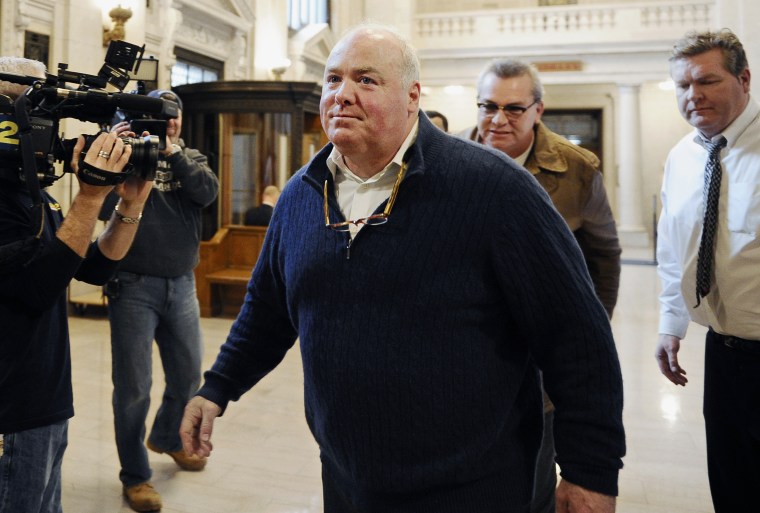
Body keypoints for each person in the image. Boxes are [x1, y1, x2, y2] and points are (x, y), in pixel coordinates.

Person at [180, 24, 625, 513]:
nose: (342, 95)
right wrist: (218, 386)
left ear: (412, 96)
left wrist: (590, 471)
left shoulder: (494, 189)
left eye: (366, 80)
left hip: (473, 486)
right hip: (348, 480)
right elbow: (267, 309)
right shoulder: (301, 195)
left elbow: (576, 337)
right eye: (332, 80)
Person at [461, 58, 621, 513]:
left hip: (539, 361)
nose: (498, 119)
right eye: (488, 106)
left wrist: (588, 331)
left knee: (531, 479)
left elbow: (604, 255)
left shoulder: (576, 170)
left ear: (538, 110)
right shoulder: (445, 161)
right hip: (465, 354)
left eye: (514, 109)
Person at [0, 57, 152, 513]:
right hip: (10, 410)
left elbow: (90, 270)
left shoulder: (32, 194)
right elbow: (37, 287)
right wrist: (89, 196)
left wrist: (129, 205)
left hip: (43, 400)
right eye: (32, 115)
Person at [655, 29, 760, 513]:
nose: (692, 95)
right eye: (682, 85)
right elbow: (674, 250)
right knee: (733, 479)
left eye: (707, 81)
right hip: (725, 353)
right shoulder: (682, 157)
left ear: (744, 78)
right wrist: (671, 324)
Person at [102, 89, 219, 512]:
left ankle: (167, 437)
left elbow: (207, 194)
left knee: (189, 376)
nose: (168, 121)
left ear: (181, 122)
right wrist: (116, 148)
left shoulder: (193, 159)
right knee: (134, 388)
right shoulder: (127, 152)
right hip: (132, 285)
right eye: (160, 115)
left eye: (174, 115)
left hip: (181, 284)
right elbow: (102, 205)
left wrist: (172, 152)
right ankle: (135, 476)